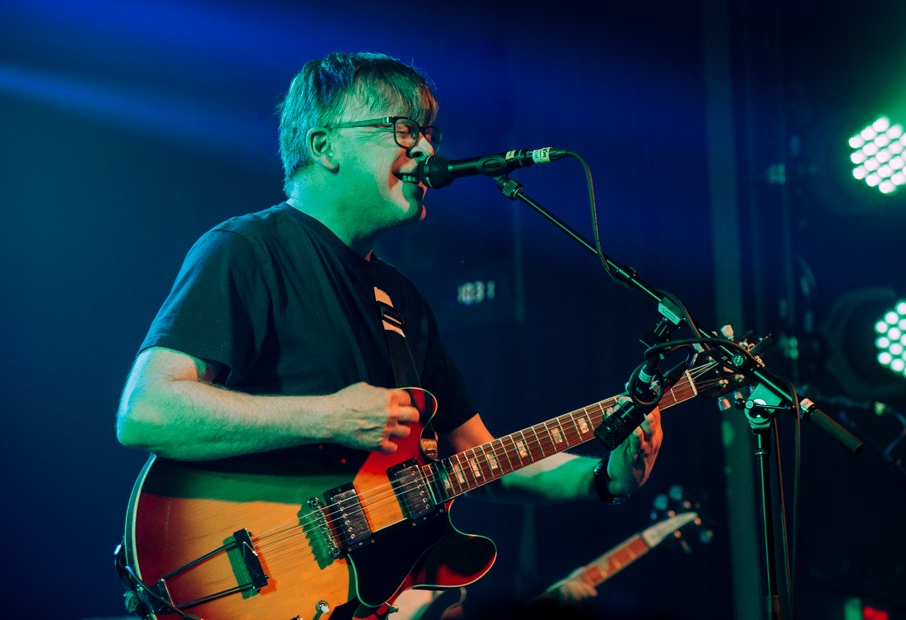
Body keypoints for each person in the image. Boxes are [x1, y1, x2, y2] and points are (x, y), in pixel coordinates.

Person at [115, 51, 662, 618]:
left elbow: (481, 459)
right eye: (402, 129)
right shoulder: (248, 251)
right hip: (254, 578)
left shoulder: (402, 301)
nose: (425, 149)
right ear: (324, 146)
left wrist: (603, 476)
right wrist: (328, 417)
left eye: (427, 132)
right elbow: (146, 412)